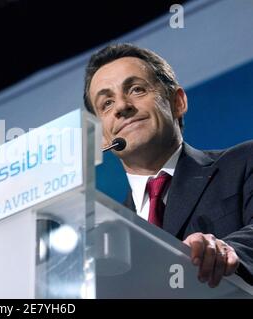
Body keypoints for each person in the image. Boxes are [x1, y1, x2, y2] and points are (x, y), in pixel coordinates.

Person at [83, 43, 253, 288]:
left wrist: (228, 250)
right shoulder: (111, 236)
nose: (121, 107)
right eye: (106, 104)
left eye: (137, 89)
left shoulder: (243, 163)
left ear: (177, 102)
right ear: (101, 137)